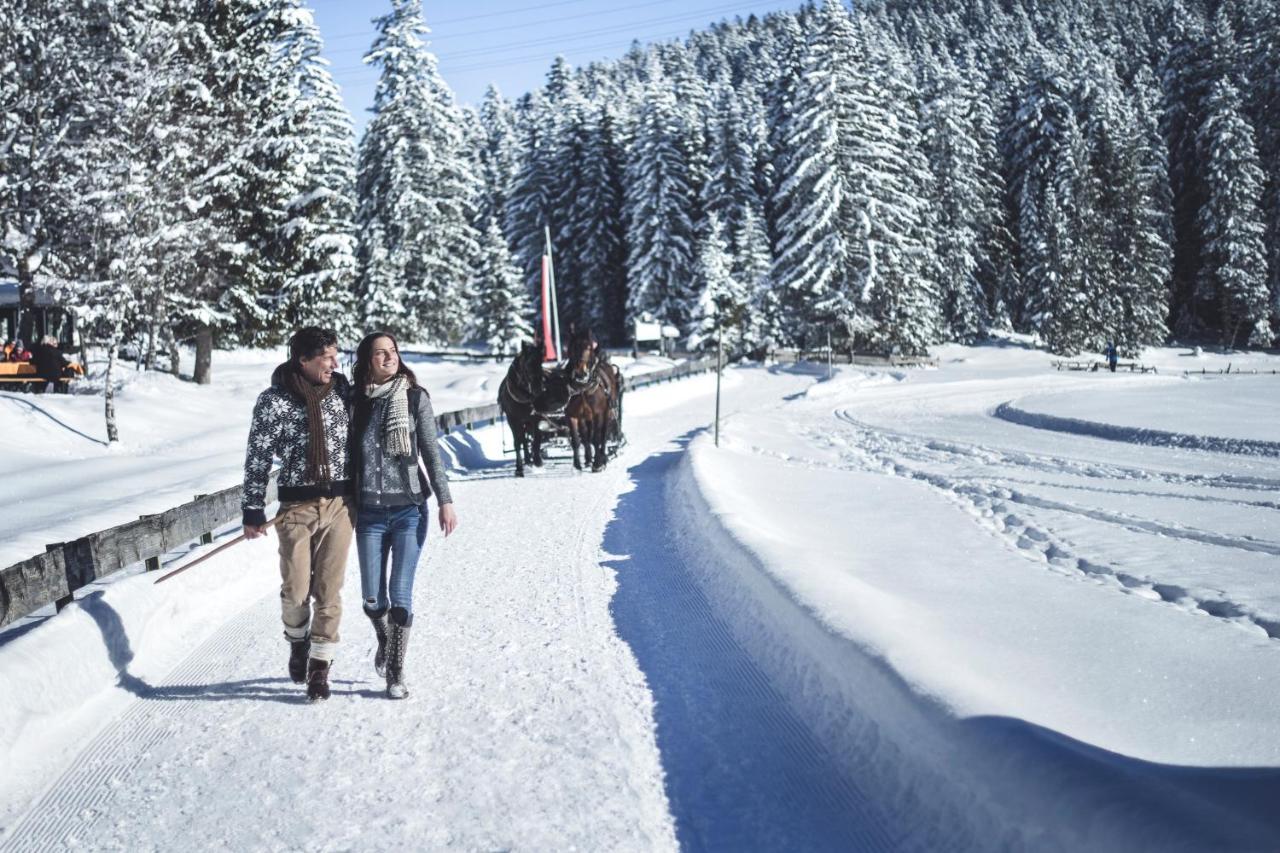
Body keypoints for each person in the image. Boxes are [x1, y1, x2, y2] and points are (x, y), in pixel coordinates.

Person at [242, 327, 355, 702]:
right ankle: (297, 640)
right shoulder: (274, 401)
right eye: (326, 357)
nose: (334, 363)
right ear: (302, 360)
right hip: (296, 510)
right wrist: (252, 507)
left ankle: (320, 667)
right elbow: (258, 457)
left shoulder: (342, 393)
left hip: (339, 507)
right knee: (295, 591)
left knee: (329, 590)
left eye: (335, 354)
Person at [350, 331, 457, 699]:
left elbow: (431, 451)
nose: (388, 357)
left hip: (409, 510)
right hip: (369, 513)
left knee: (400, 593)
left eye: (392, 351)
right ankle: (386, 639)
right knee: (371, 598)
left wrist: (445, 500)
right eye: (380, 353)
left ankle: (395, 672)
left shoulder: (414, 399)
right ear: (367, 361)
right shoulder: (355, 402)